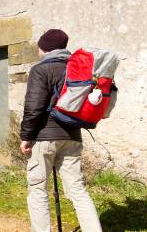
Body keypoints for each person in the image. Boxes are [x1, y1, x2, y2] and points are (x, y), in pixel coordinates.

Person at [20, 29, 102, 232]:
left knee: (38, 187)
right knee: (77, 189)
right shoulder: (77, 69)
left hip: (45, 137)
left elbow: (34, 107)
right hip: (73, 137)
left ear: (44, 48)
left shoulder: (41, 70)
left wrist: (26, 137)